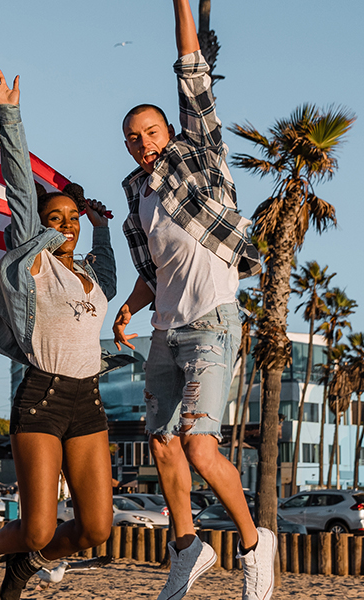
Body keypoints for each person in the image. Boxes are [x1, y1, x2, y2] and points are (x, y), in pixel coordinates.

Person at [109, 2, 273, 599]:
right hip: (165, 330)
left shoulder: (198, 158)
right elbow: (155, 272)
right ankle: (189, 548)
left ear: (169, 133)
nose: (143, 142)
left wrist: (180, 6)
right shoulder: (137, 199)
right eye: (133, 138)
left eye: (151, 132)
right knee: (161, 442)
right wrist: (129, 307)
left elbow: (191, 75)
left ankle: (256, 546)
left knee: (202, 448)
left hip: (212, 324)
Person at [0, 68, 118, 600]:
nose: (65, 224)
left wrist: (99, 225)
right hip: (42, 397)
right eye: (58, 217)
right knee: (38, 527)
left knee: (97, 528)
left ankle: (29, 566)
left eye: (70, 217)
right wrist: (10, 114)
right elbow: (20, 187)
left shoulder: (89, 276)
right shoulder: (33, 264)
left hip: (87, 400)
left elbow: (111, 282)